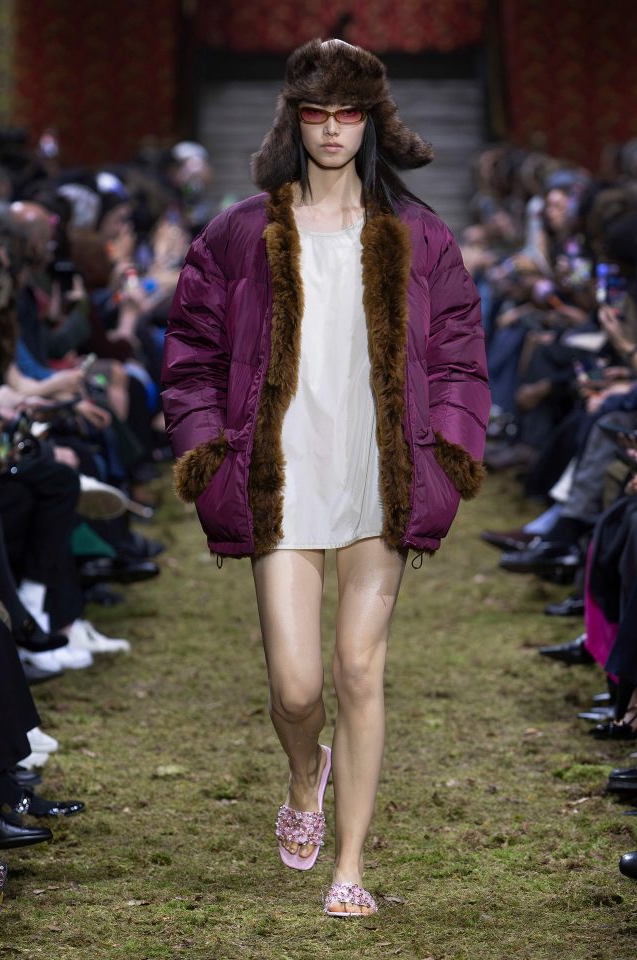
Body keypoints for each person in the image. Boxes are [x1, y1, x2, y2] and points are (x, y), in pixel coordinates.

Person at [162, 39, 489, 918]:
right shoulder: (239, 233)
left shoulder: (420, 234)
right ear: (295, 119)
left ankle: (350, 866)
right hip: (280, 471)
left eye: (350, 113)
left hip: (382, 469)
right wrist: (209, 449)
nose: (334, 129)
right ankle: (306, 770)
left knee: (358, 668)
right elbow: (191, 353)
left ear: (372, 122)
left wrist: (449, 450)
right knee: (296, 687)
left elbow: (459, 355)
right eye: (318, 112)